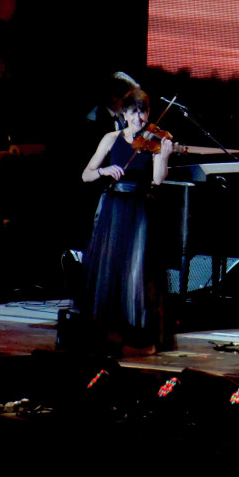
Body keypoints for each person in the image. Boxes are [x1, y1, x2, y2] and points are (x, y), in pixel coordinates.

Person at [76, 88, 174, 356]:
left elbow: (157, 180)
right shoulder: (110, 138)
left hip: (140, 207)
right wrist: (104, 170)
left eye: (143, 112)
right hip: (114, 208)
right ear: (125, 113)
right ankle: (111, 334)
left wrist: (163, 156)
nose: (139, 118)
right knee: (111, 271)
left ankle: (139, 336)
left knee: (136, 272)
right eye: (134, 112)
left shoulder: (155, 140)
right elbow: (86, 174)